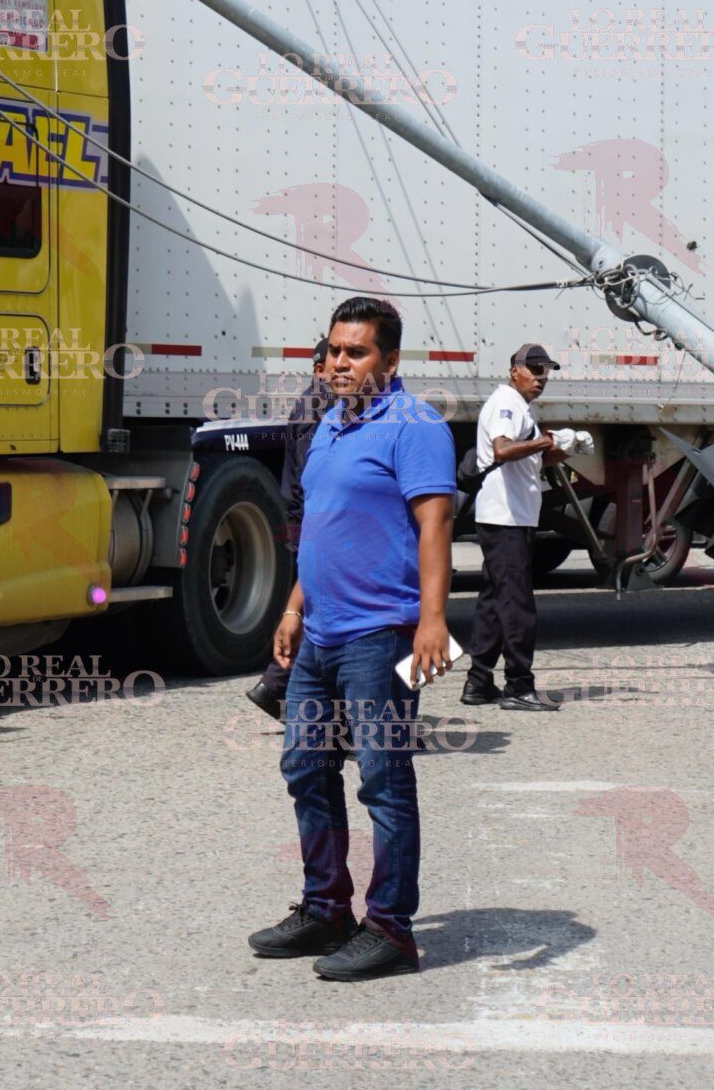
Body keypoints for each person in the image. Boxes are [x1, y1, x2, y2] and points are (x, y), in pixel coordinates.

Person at [249, 297, 453, 982]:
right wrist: (292, 607)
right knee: (306, 767)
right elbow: (321, 527)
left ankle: (391, 927)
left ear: (390, 360)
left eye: (356, 351)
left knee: (384, 781)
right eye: (334, 349)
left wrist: (432, 620)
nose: (339, 361)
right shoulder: (331, 424)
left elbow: (434, 527)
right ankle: (325, 907)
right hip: (322, 633)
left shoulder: (414, 425)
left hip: (382, 635)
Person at [464, 343, 565, 712]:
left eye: (546, 371)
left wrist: (562, 447)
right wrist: (542, 441)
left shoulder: (519, 406)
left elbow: (528, 454)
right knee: (516, 602)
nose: (541, 378)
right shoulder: (507, 403)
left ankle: (478, 681)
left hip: (508, 516)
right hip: (505, 517)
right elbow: (503, 449)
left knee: (494, 600)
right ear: (514, 371)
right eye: (534, 369)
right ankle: (519, 685)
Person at [244, 339, 334, 720]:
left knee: (318, 607)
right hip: (314, 522)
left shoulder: (314, 404)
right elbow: (316, 479)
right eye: (335, 361)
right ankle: (277, 688)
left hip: (309, 520)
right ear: (318, 368)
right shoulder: (318, 409)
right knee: (319, 609)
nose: (344, 369)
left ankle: (279, 690)